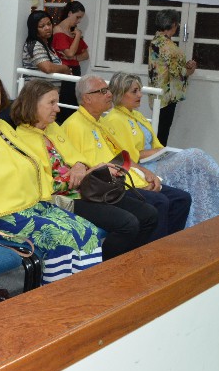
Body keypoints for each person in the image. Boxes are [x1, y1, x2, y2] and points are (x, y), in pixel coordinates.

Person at [0, 71, 103, 283]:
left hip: (30, 206)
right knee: (62, 239)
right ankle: (56, 300)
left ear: (2, 97)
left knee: (88, 231)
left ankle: (84, 295)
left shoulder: (3, 126)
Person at [11, 79, 158, 260]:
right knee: (129, 224)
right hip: (65, 198)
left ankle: (129, 262)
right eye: (51, 103)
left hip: (87, 189)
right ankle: (106, 268)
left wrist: (80, 167)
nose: (57, 109)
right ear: (33, 104)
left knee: (149, 214)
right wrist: (86, 173)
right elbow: (44, 186)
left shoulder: (52, 127)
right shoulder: (21, 138)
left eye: (56, 103)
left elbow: (78, 157)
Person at [104, 72, 219, 228]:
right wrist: (158, 153)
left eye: (139, 90)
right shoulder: (115, 119)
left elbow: (155, 145)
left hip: (156, 161)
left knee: (197, 171)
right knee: (195, 156)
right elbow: (129, 157)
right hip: (144, 169)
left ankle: (203, 215)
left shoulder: (136, 115)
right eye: (134, 91)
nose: (140, 94)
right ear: (120, 93)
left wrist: (161, 152)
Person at [62, 74, 191, 241]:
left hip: (125, 176)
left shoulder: (100, 122)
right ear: (87, 98)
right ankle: (153, 255)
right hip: (107, 187)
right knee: (159, 202)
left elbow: (122, 157)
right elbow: (88, 170)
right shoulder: (74, 126)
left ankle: (167, 245)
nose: (109, 94)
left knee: (181, 198)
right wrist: (134, 185)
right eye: (102, 91)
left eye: (107, 90)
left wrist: (146, 173)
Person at [148, 9, 196, 144]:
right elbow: (177, 71)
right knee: (162, 133)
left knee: (159, 129)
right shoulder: (166, 45)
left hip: (159, 91)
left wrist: (184, 65)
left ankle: (155, 158)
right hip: (167, 94)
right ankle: (157, 161)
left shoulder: (157, 40)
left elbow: (167, 64)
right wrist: (189, 70)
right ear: (173, 24)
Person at [21, 10, 76, 117]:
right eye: (42, 26)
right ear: (34, 29)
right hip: (37, 97)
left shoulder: (47, 44)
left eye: (49, 24)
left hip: (48, 97)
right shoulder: (34, 44)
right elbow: (47, 68)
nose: (47, 28)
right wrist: (65, 69)